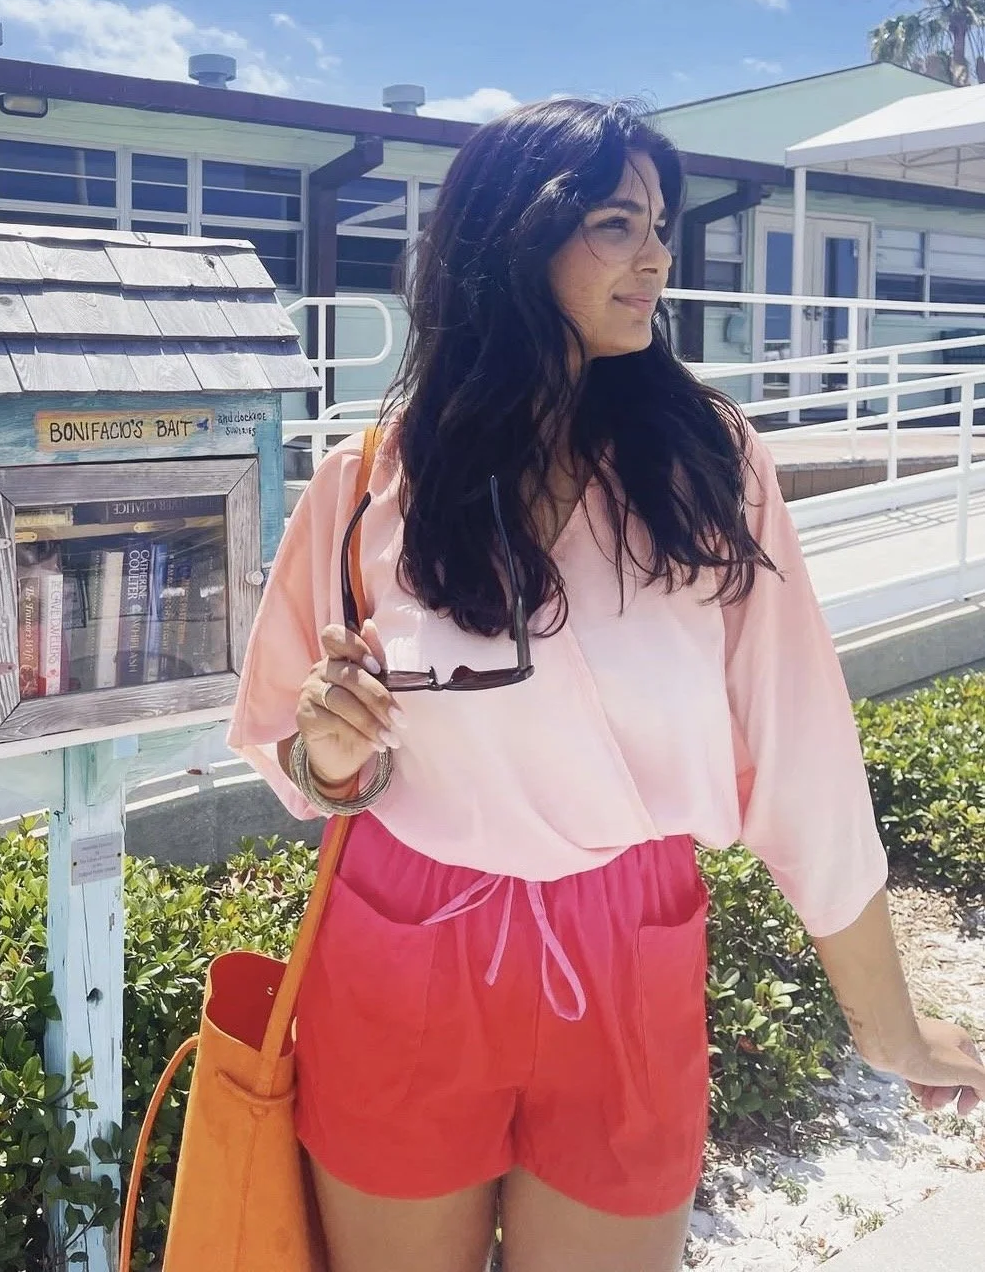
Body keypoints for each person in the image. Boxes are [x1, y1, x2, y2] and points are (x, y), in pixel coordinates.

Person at [225, 97, 985, 1272]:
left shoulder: (707, 467)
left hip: (628, 947)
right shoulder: (369, 481)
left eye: (662, 223)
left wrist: (890, 1026)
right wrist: (333, 754)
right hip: (404, 941)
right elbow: (290, 738)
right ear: (516, 240)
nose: (660, 256)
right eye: (619, 222)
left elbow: (804, 757)